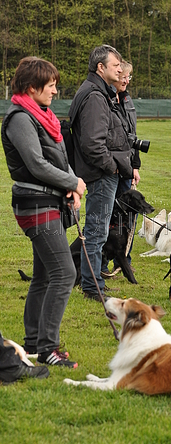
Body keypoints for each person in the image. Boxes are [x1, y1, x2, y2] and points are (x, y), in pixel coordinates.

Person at [1, 57, 86, 368]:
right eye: (50, 85)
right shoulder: (20, 119)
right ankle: (49, 348)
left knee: (45, 275)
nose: (55, 90)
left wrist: (70, 188)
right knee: (65, 273)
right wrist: (73, 181)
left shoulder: (42, 114)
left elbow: (57, 158)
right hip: (34, 207)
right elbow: (36, 164)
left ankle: (34, 343)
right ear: (31, 87)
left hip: (49, 202)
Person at [69, 45, 133, 300]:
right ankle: (92, 288)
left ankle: (94, 283)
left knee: (98, 230)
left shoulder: (98, 92)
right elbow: (93, 144)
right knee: (97, 232)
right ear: (101, 67)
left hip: (100, 172)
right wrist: (113, 166)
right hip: (99, 174)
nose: (120, 70)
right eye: (116, 65)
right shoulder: (95, 96)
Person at [101, 60, 141, 276]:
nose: (126, 80)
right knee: (107, 215)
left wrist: (135, 165)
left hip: (126, 166)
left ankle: (124, 259)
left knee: (127, 218)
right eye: (123, 76)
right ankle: (103, 261)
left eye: (129, 77)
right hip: (110, 166)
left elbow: (132, 136)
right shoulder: (104, 99)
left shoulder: (127, 101)